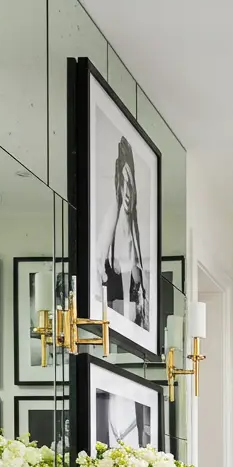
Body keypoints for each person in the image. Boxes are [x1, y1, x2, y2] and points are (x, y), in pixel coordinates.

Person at [96, 135, 149, 329]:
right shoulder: (109, 233)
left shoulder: (139, 242)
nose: (127, 191)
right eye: (123, 183)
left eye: (130, 184)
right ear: (119, 185)